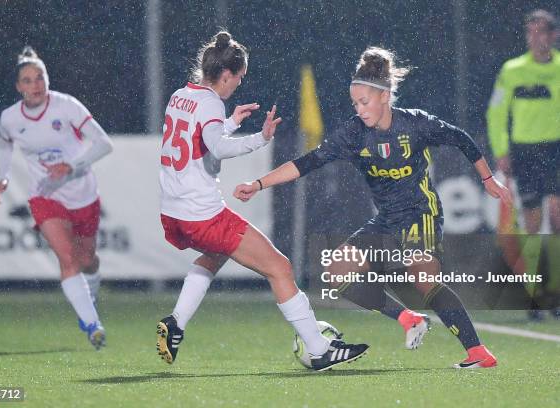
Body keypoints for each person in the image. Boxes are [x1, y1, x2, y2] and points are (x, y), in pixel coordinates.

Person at [235, 46, 513, 369]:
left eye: (364, 102)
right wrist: (258, 184)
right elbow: (306, 163)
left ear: (385, 95)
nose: (359, 109)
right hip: (386, 220)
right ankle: (408, 318)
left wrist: (488, 179)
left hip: (420, 212)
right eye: (355, 103)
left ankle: (478, 352)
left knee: (423, 278)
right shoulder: (354, 133)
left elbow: (460, 138)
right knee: (336, 270)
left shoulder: (415, 124)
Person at [155, 31, 368, 371]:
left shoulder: (181, 95)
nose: (236, 86)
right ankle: (318, 350)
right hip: (202, 212)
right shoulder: (210, 101)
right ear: (226, 75)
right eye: (238, 79)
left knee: (216, 254)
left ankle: (176, 323)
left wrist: (226, 122)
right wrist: (260, 138)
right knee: (280, 268)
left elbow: (197, 136)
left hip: (174, 210)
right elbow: (218, 146)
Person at [0, 46, 113, 349]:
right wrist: (4, 176)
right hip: (45, 195)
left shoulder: (66, 106)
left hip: (83, 193)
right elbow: (5, 145)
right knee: (67, 257)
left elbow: (104, 144)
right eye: (28, 81)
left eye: (39, 79)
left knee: (87, 259)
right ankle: (93, 325)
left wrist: (71, 165)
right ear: (19, 87)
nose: (35, 86)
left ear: (47, 80)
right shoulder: (9, 118)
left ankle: (91, 295)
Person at [486, 9, 560, 320]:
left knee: (556, 220)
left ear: (553, 35)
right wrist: (501, 150)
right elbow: (496, 113)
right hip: (526, 153)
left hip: (556, 150)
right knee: (531, 225)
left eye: (540, 31)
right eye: (530, 32)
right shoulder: (512, 70)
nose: (534, 38)